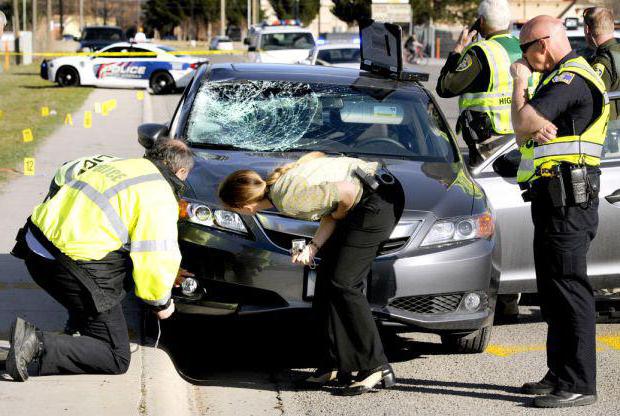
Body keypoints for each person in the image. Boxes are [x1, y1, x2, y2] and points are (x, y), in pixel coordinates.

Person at [6, 139, 195, 382]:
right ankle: (35, 342)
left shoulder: (117, 164)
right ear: (180, 171)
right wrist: (161, 304)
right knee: (116, 356)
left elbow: (65, 172)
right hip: (67, 264)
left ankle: (77, 330)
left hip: (35, 245)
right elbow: (155, 258)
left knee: (123, 266)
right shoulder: (159, 195)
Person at [218, 152, 401, 396]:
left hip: (378, 201)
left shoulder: (287, 200)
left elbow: (345, 194)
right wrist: (313, 247)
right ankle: (333, 363)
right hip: (370, 194)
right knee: (326, 281)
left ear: (245, 206)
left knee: (344, 282)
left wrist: (337, 217)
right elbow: (330, 205)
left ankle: (375, 365)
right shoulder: (278, 187)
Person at [511, 15, 609, 408]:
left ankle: (580, 383)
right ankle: (559, 374)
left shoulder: (572, 78)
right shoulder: (557, 81)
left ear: (544, 43)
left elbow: (522, 121)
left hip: (571, 201)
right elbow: (527, 129)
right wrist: (532, 123)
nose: (521, 57)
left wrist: (520, 84)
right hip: (554, 200)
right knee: (552, 292)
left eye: (524, 48)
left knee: (570, 290)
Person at [436, 0, 521, 167]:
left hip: (491, 143)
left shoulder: (481, 52)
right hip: (522, 137)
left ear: (480, 21)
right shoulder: (522, 46)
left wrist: (459, 48)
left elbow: (445, 87)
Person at [584, 7, 619, 119]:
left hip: (610, 131)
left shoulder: (602, 63)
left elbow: (592, 103)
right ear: (612, 26)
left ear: (588, 29)